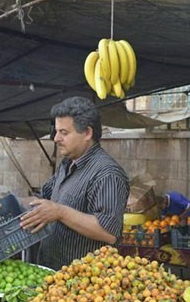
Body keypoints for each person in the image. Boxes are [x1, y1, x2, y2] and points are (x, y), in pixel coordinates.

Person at [20, 96, 130, 270]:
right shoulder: (67, 164)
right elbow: (42, 199)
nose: (56, 138)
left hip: (85, 287)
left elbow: (108, 233)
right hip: (54, 274)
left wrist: (61, 212)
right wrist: (2, 202)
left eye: (64, 132)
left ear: (87, 133)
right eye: (56, 131)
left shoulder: (107, 173)